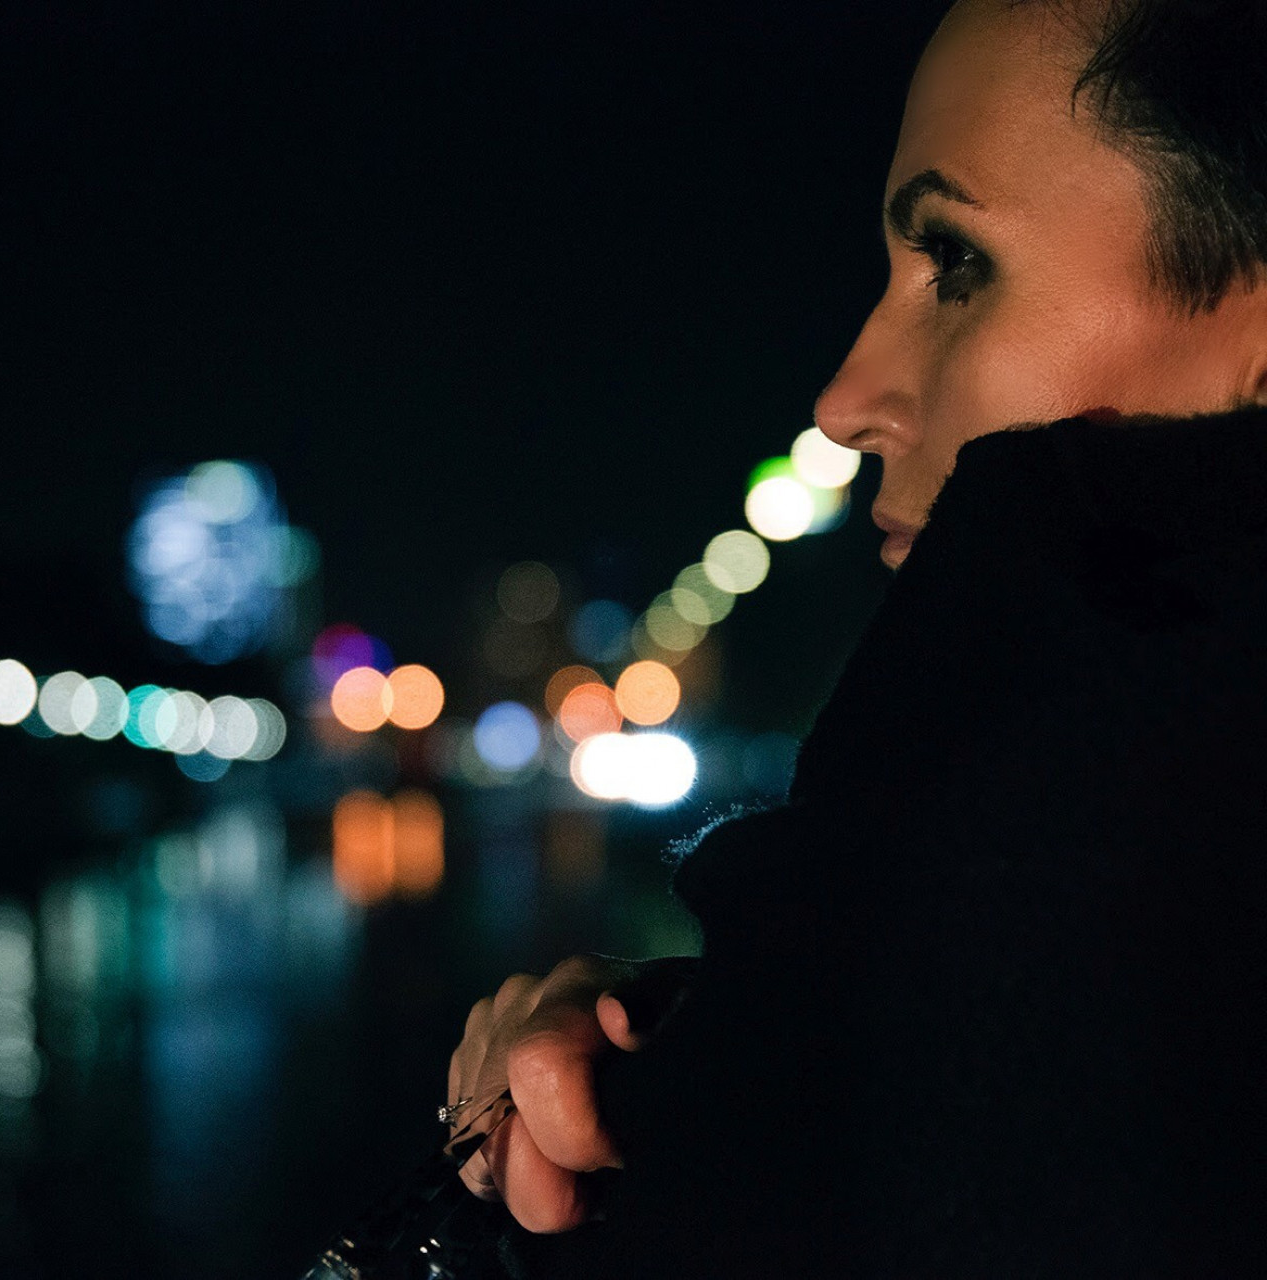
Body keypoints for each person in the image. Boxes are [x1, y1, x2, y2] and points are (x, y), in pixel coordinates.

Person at [446, 0, 1267, 1273]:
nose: (842, 400)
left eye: (956, 263)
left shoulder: (1077, 906)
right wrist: (730, 1032)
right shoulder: (1116, 922)